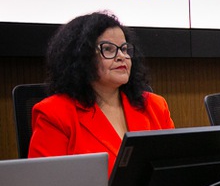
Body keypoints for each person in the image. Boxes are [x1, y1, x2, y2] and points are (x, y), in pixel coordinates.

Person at [28, 11, 174, 175]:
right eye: (108, 49)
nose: (121, 56)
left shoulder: (154, 106)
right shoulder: (54, 113)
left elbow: (173, 169)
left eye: (124, 49)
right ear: (81, 56)